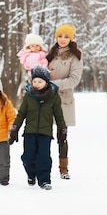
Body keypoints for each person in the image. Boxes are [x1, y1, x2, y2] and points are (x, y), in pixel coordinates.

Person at [8, 65, 67, 190]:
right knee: (27, 157)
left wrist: (62, 131)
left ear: (46, 82)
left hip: (45, 133)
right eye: (34, 81)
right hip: (29, 132)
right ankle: (31, 174)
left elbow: (59, 115)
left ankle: (44, 180)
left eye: (40, 81)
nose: (36, 84)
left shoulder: (53, 96)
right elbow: (21, 114)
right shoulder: (29, 96)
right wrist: (14, 129)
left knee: (44, 157)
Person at [46, 23, 83, 180]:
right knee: (44, 135)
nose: (62, 39)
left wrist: (55, 84)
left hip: (64, 100)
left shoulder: (75, 56)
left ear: (71, 38)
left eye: (66, 36)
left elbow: (74, 79)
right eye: (60, 36)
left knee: (62, 135)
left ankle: (63, 169)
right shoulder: (50, 53)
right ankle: (43, 166)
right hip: (46, 99)